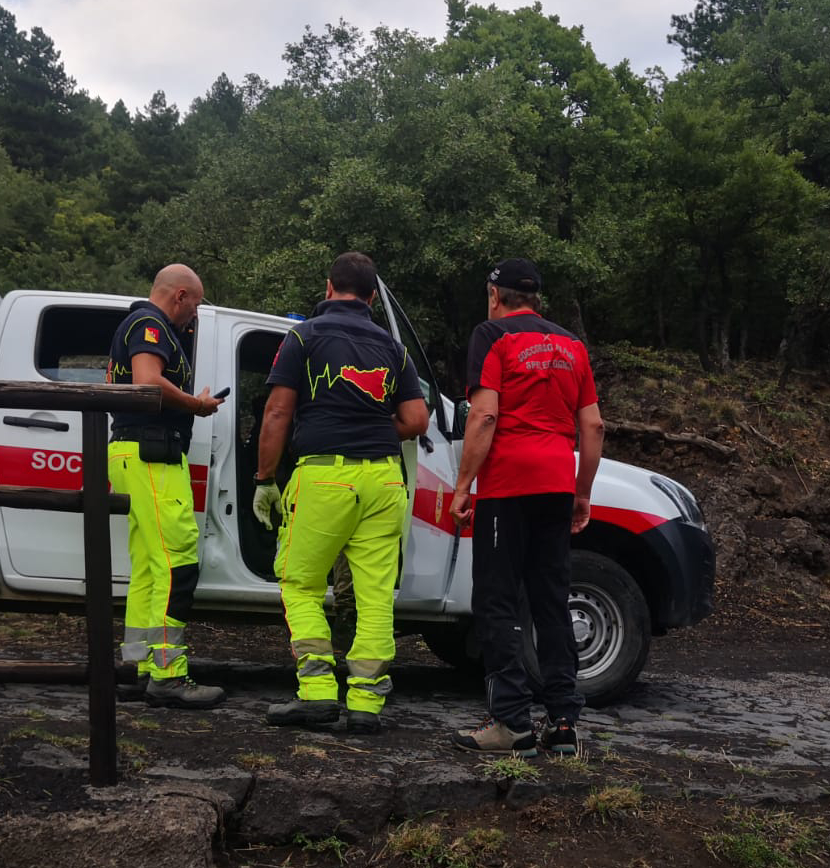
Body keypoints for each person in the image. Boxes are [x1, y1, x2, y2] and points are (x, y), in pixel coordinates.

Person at [253, 252, 429, 733]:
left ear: (328, 287)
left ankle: (316, 694)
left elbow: (276, 413)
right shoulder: (394, 349)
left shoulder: (304, 336)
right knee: (375, 595)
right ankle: (367, 706)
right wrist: (371, 426)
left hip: (325, 477)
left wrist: (265, 478)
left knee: (301, 583)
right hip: (385, 480)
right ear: (372, 297)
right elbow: (416, 420)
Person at [449, 258, 605, 757]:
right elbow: (594, 427)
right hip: (556, 483)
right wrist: (582, 493)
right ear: (535, 298)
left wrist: (462, 486)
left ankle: (511, 723)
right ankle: (562, 723)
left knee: (497, 601)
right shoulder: (572, 345)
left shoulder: (491, 335)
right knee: (551, 602)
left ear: (495, 295)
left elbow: (486, 414)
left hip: (507, 486)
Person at [107, 264, 225, 709]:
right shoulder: (150, 325)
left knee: (150, 566)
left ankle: (137, 667)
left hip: (133, 452)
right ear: (180, 295)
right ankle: (169, 675)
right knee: (178, 563)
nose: (195, 313)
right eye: (196, 302)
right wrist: (196, 403)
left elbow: (112, 381)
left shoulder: (132, 325)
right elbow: (146, 382)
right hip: (152, 454)